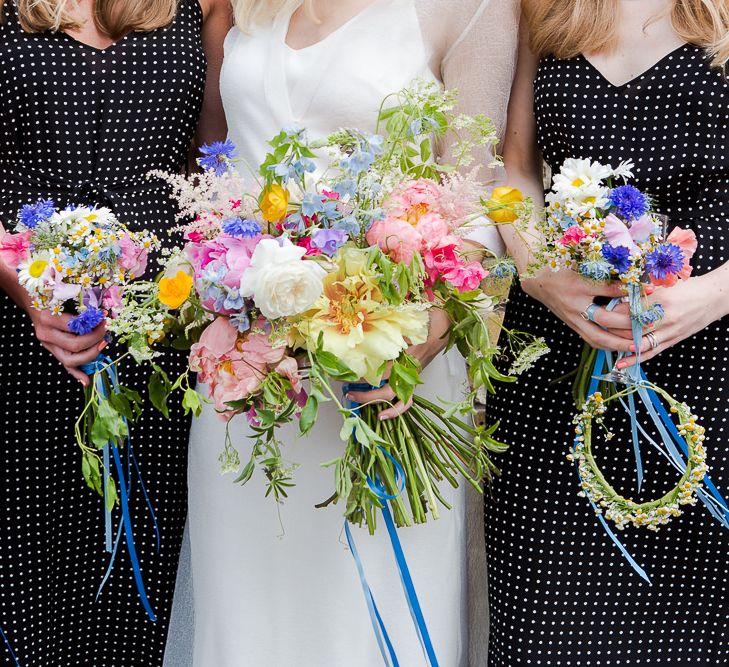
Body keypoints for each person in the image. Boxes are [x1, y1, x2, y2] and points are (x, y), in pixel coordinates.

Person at [164, 0, 519, 665]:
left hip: (386, 370)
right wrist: (219, 275)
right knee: (245, 615)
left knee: (370, 618)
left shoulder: (472, 7)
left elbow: (473, 196)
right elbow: (213, 166)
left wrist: (417, 337)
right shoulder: (238, 7)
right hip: (252, 370)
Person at [486, 0, 729, 664]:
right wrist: (537, 272)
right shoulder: (542, 7)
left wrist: (709, 295)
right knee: (544, 632)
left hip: (712, 358)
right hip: (555, 361)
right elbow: (509, 168)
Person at [0, 0, 230, 664]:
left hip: (155, 334)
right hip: (20, 327)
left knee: (134, 591)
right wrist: (31, 288)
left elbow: (212, 161)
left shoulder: (204, 5)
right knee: (24, 574)